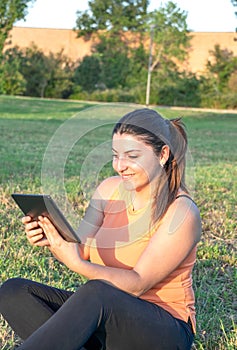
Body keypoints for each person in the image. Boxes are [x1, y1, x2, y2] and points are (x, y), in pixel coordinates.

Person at [0, 108, 202, 350]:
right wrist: (53, 238)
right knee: (14, 291)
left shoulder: (181, 211)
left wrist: (77, 264)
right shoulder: (108, 190)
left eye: (132, 156)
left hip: (164, 329)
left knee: (96, 293)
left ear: (163, 155)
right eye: (115, 155)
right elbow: (80, 250)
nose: (119, 165)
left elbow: (138, 283)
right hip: (106, 314)